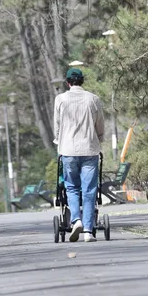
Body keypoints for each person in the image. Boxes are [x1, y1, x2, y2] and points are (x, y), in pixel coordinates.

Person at [52, 67, 105, 242]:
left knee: (72, 188)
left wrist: (58, 140)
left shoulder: (60, 99)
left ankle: (76, 220)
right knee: (89, 190)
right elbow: (100, 124)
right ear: (82, 81)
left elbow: (57, 125)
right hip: (89, 149)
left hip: (68, 150)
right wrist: (99, 138)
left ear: (68, 83)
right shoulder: (93, 99)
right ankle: (88, 231)